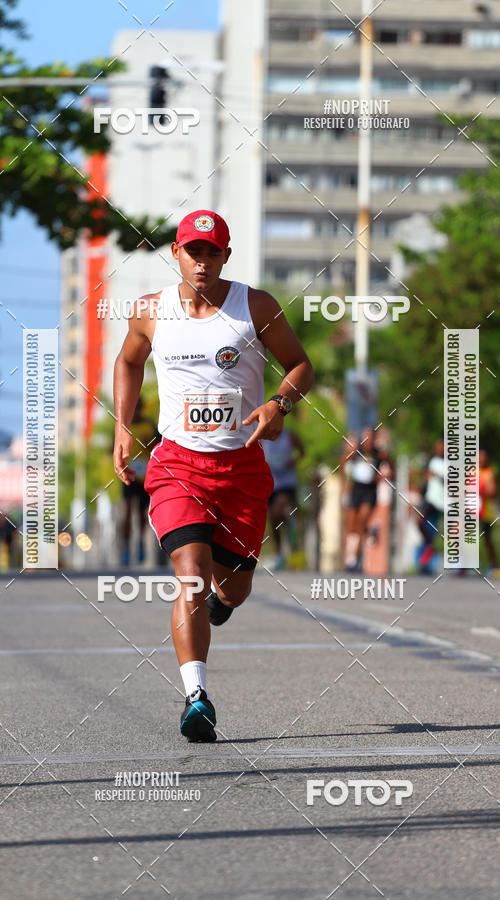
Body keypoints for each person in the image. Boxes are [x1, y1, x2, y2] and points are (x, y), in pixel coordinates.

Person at [113, 209, 314, 742]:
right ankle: (196, 696)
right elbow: (129, 362)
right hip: (177, 465)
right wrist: (122, 424)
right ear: (176, 253)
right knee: (191, 573)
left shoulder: (256, 306)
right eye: (192, 251)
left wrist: (278, 404)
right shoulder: (150, 311)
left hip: (242, 469)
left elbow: (301, 366)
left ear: (226, 255)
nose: (202, 262)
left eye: (212, 252)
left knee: (234, 587)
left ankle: (224, 603)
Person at [119, 398, 160, 566]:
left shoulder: (149, 426)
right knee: (127, 510)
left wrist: (148, 445)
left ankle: (141, 544)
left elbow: (160, 446)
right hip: (129, 474)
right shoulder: (124, 426)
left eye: (138, 407)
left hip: (145, 476)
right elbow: (115, 446)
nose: (136, 411)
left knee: (142, 513)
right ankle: (126, 548)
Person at [341, 427, 382, 572]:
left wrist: (382, 476)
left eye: (370, 437)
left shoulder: (379, 454)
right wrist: (345, 483)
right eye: (365, 437)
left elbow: (389, 468)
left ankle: (353, 558)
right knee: (352, 525)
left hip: (369, 491)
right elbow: (343, 464)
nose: (368, 440)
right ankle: (370, 532)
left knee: (361, 519)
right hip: (356, 489)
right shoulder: (357, 451)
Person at [264, 426, 305, 570]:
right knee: (275, 519)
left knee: (280, 511)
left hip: (287, 484)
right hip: (271, 484)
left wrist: (293, 461)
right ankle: (280, 553)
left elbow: (302, 451)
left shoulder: (289, 435)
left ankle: (294, 551)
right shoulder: (263, 437)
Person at [417, 438, 445, 573]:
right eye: (438, 447)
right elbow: (425, 477)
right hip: (431, 499)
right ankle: (429, 544)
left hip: (446, 501)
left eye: (442, 447)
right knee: (418, 519)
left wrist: (439, 476)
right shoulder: (432, 461)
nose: (440, 449)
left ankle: (462, 563)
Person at [478, 449, 497, 571]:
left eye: (484, 457)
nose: (482, 459)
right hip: (471, 510)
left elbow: (493, 492)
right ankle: (463, 565)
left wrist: (480, 491)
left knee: (487, 539)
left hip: (486, 512)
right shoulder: (472, 472)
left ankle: (492, 564)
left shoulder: (489, 473)